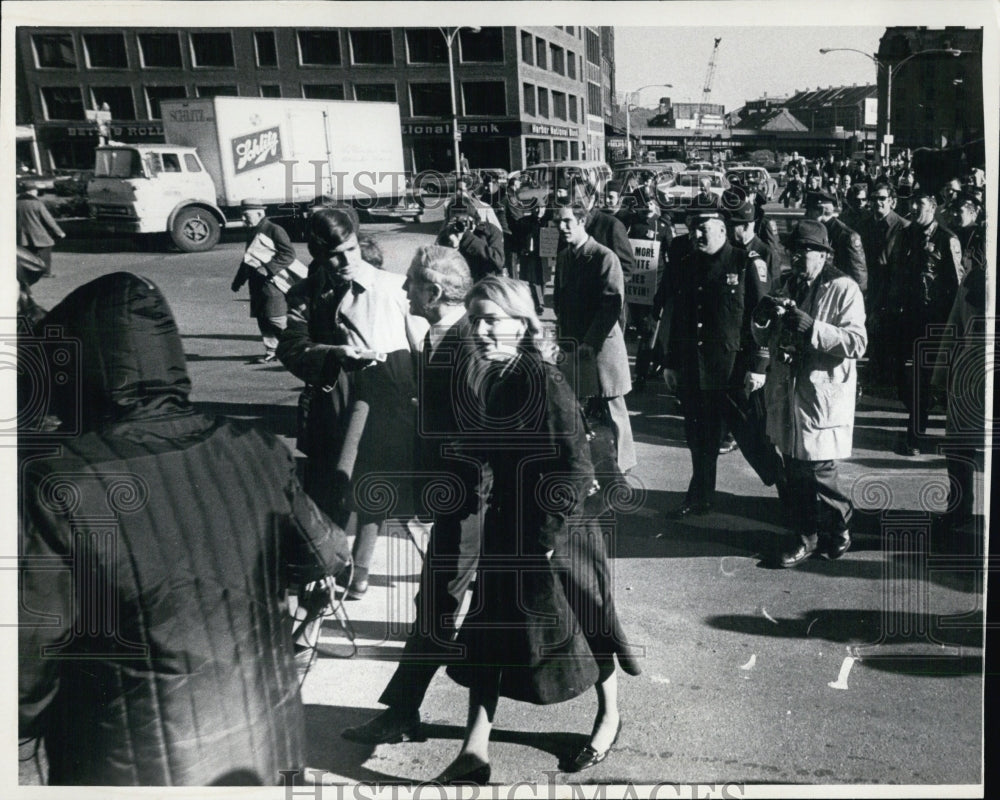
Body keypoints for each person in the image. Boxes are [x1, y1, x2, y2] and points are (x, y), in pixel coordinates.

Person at [18, 272, 351, 785]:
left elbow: (26, 668)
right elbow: (326, 555)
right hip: (266, 742)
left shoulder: (61, 479)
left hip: (131, 759)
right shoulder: (256, 448)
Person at [438, 276, 640, 784]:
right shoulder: (494, 373)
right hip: (512, 524)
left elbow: (576, 469)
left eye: (493, 320)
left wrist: (545, 541)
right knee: (487, 634)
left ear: (521, 324)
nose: (482, 329)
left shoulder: (541, 379)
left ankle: (609, 717)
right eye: (476, 319)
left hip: (560, 529)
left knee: (590, 620)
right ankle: (474, 752)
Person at [342, 245, 489, 745]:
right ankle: (406, 713)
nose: (404, 290)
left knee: (441, 607)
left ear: (435, 290)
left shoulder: (468, 342)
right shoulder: (438, 336)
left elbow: (481, 432)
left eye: (411, 283)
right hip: (457, 502)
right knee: (437, 606)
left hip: (474, 504)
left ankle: (406, 714)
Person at [279, 208, 428, 598]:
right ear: (316, 253)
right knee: (332, 494)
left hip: (389, 408)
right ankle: (331, 576)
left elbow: (425, 349)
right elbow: (291, 348)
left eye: (350, 250)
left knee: (385, 492)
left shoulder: (396, 288)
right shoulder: (304, 294)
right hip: (332, 407)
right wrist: (333, 354)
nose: (344, 262)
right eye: (333, 254)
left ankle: (371, 572)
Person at [751, 221, 867, 567]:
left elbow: (857, 343)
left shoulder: (844, 288)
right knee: (792, 468)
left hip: (821, 392)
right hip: (787, 390)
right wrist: (762, 318)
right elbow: (761, 339)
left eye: (806, 251)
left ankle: (840, 524)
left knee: (818, 469)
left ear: (823, 254)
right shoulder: (784, 284)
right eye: (793, 250)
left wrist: (812, 327)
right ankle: (806, 536)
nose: (798, 257)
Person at [662, 211, 779, 519]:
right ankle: (700, 497)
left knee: (755, 441)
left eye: (702, 230)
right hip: (696, 370)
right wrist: (671, 363)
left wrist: (759, 365)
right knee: (699, 440)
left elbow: (762, 318)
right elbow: (680, 319)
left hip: (734, 372)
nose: (695, 236)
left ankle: (790, 496)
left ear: (722, 230)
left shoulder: (745, 263)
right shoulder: (687, 265)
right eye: (692, 230)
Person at [553, 201, 637, 475]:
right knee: (579, 407)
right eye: (558, 223)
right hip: (574, 345)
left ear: (582, 222)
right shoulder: (566, 257)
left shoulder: (603, 257)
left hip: (600, 347)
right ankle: (592, 464)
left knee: (613, 408)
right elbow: (560, 303)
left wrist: (591, 341)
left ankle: (623, 467)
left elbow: (612, 304)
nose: (562, 227)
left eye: (567, 222)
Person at [890, 190, 964, 456]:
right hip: (906, 317)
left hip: (934, 320)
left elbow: (958, 285)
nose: (913, 208)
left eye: (919, 204)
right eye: (911, 203)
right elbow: (896, 273)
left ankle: (915, 438)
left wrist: (954, 325)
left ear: (932, 207)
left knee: (922, 380)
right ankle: (918, 425)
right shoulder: (907, 235)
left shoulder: (947, 239)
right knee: (901, 377)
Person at [231, 198, 296, 363]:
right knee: (263, 318)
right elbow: (248, 259)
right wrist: (239, 280)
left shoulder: (274, 229)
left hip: (273, 283)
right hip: (257, 284)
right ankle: (272, 350)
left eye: (246, 215)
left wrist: (267, 268)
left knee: (276, 317)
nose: (243, 219)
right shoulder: (253, 230)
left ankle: (296, 349)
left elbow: (288, 255)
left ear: (260, 213)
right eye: (242, 216)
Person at [857, 182, 910, 382]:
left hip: (891, 287)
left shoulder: (903, 227)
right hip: (869, 285)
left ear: (892, 201)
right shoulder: (865, 224)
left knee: (889, 331)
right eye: (874, 198)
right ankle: (875, 369)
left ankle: (889, 376)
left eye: (882, 198)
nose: (877, 202)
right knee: (871, 328)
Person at [804, 190, 868, 294]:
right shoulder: (818, 231)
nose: (806, 214)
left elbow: (859, 275)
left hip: (840, 293)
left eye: (809, 211)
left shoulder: (847, 236)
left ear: (820, 211)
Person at [436, 209, 505, 281]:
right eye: (455, 222)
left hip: (484, 283)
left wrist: (468, 239)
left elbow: (498, 262)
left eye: (465, 221)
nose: (460, 225)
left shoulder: (489, 231)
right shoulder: (447, 235)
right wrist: (453, 246)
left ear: (475, 220)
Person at [16, 183, 65, 278]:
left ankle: (28, 272)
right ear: (30, 191)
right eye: (35, 190)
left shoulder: (15, 203)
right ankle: (46, 272)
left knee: (27, 254)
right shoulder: (37, 204)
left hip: (21, 235)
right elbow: (48, 220)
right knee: (45, 251)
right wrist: (59, 232)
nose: (37, 192)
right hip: (38, 234)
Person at [501, 173, 527, 278]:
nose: (520, 185)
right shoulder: (511, 197)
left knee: (511, 260)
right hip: (511, 232)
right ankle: (514, 282)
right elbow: (517, 216)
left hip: (506, 231)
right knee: (512, 259)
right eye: (519, 182)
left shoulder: (508, 195)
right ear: (515, 184)